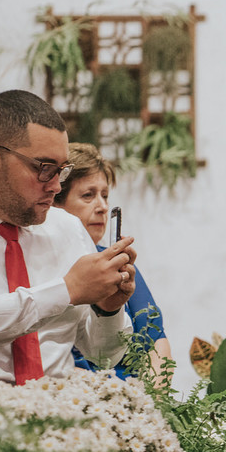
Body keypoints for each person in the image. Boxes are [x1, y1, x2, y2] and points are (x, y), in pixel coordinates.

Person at [0, 89, 135, 383]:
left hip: (61, 416)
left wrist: (109, 310)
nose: (56, 186)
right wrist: (66, 291)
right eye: (44, 168)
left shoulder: (67, 228)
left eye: (62, 171)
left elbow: (102, 355)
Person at [55, 143, 171, 380]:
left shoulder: (118, 264)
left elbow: (157, 343)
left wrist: (152, 400)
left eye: (105, 196)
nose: (103, 207)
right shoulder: (46, 262)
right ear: (56, 204)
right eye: (88, 195)